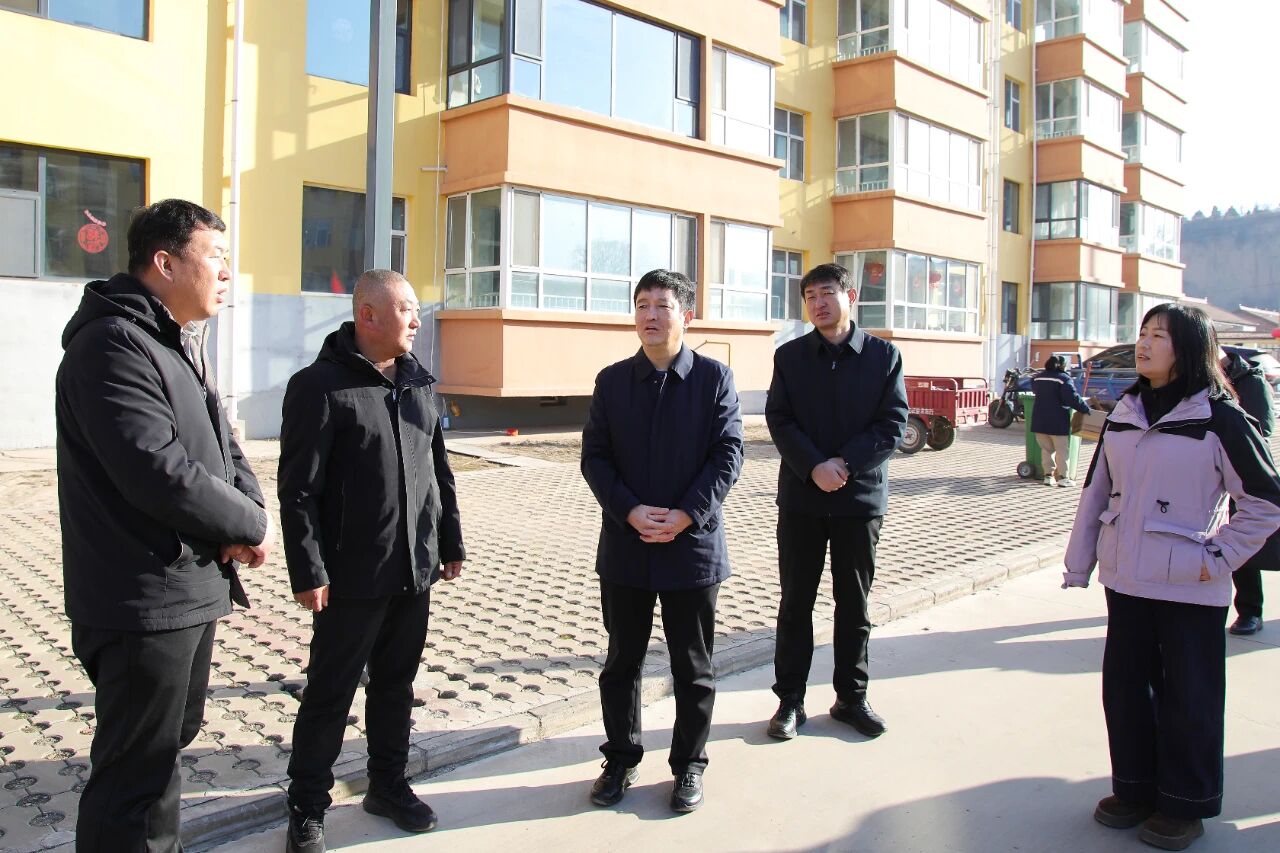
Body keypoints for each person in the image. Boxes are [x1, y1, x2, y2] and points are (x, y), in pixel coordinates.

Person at [56, 199, 273, 852]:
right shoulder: (111, 345)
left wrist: (251, 514)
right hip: (141, 598)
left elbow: (223, 445)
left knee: (164, 751)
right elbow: (159, 470)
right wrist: (247, 524)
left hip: (188, 585)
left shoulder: (173, 340)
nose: (227, 273)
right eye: (215, 257)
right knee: (133, 774)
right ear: (165, 262)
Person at [1063, 304, 1280, 851]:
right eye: (1142, 333)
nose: (1144, 343)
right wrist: (1080, 563)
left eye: (1158, 335)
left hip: (1191, 585)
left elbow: (1265, 502)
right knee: (1126, 692)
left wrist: (1218, 557)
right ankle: (1134, 789)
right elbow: (1095, 491)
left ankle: (1184, 803)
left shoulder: (1220, 419)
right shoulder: (1125, 411)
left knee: (1190, 698)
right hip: (1126, 581)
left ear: (1188, 348)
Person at [278, 269, 465, 853]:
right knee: (330, 693)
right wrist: (308, 569)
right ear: (368, 315)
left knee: (395, 686)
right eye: (406, 309)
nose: (416, 320)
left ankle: (388, 785)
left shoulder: (417, 382)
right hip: (349, 578)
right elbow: (298, 490)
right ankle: (307, 806)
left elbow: (438, 470)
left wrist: (450, 542)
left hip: (413, 570)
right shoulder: (319, 387)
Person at [580, 269, 743, 813]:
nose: (650, 315)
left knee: (692, 666)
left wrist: (686, 514)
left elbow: (728, 454)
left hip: (691, 547)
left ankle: (689, 766)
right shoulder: (612, 381)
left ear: (686, 315)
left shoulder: (714, 378)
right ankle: (620, 760)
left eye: (662, 305)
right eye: (642, 304)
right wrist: (629, 510)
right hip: (626, 546)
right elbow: (595, 457)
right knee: (621, 663)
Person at [763, 263, 907, 741]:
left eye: (827, 293)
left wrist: (844, 464)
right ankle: (790, 700)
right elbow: (779, 419)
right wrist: (813, 467)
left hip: (859, 500)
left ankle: (851, 697)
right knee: (795, 602)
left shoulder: (883, 357)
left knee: (854, 604)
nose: (818, 303)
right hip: (802, 500)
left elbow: (892, 423)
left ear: (851, 296)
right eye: (810, 296)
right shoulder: (790, 357)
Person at [1220, 347, 1275, 636]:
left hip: (1241, 474)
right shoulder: (1198, 379)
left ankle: (1250, 610)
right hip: (1206, 473)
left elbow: (1263, 429)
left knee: (1242, 543)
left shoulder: (1250, 381)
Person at [1031, 354, 1092, 487]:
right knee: (1061, 450)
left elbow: (1037, 391)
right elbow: (1072, 398)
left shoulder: (1037, 378)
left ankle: (1048, 476)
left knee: (1046, 449)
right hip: (1057, 420)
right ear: (1062, 366)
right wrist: (1085, 409)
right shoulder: (1063, 379)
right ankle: (1063, 478)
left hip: (1039, 419)